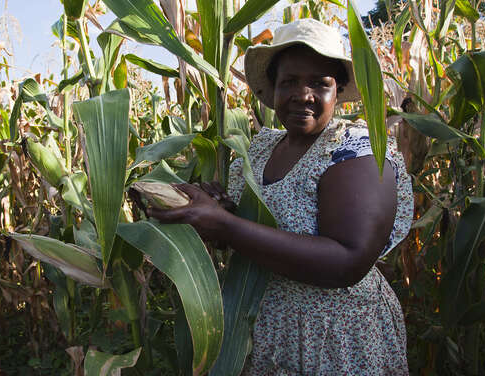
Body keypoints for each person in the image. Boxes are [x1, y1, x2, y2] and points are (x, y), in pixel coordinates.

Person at [148, 18, 413, 375]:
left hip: (335, 340)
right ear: (272, 87)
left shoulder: (356, 150)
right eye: (289, 82)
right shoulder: (261, 146)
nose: (303, 95)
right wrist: (221, 209)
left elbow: (347, 260)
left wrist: (226, 226)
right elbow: (261, 227)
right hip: (267, 329)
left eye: (320, 84)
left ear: (339, 90)